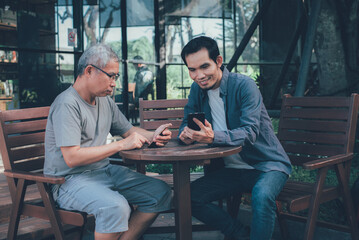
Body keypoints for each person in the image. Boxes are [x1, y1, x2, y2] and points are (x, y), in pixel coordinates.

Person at [44, 44, 172, 240]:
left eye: (116, 77)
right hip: (68, 180)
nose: (114, 83)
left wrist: (153, 135)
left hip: (103, 172)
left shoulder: (104, 101)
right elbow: (71, 158)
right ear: (89, 71)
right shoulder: (67, 104)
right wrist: (121, 145)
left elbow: (129, 130)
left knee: (159, 191)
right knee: (115, 206)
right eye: (110, 76)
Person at [178, 36, 292, 240]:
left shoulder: (244, 86)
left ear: (219, 61)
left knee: (263, 195)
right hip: (230, 170)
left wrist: (213, 137)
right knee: (187, 197)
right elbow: (186, 121)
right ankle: (239, 234)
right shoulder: (197, 89)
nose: (199, 75)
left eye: (204, 66)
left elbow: (250, 132)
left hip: (267, 165)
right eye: (192, 69)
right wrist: (185, 135)